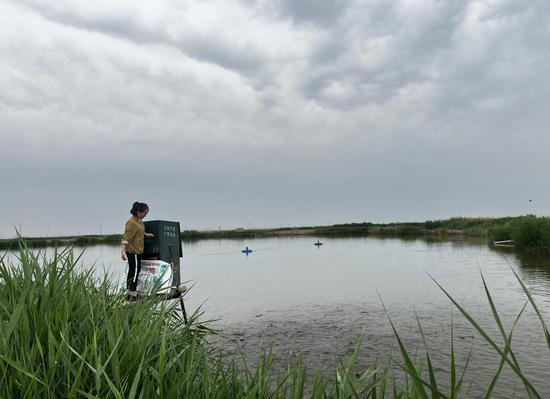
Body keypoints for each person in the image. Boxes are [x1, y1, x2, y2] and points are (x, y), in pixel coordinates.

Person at [121, 202, 154, 298]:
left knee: (136, 270)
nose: (145, 215)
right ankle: (131, 294)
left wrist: (146, 234)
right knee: (134, 271)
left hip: (138, 251)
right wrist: (123, 252)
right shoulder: (131, 223)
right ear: (138, 212)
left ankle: (131, 292)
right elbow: (126, 238)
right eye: (145, 213)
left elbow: (139, 231)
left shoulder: (139, 221)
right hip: (133, 252)